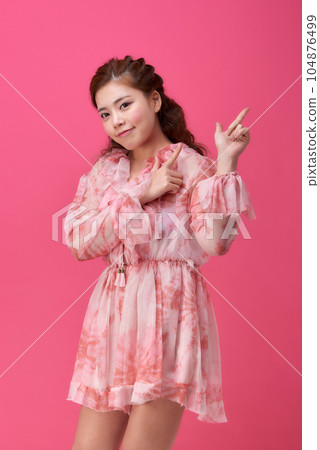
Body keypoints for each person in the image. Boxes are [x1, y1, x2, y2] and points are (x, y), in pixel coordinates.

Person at [64, 55, 256, 450]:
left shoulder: (193, 168)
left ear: (154, 101)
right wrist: (141, 192)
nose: (116, 120)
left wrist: (226, 163)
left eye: (124, 104)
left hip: (167, 317)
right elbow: (80, 242)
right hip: (111, 322)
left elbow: (215, 244)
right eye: (104, 113)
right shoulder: (106, 173)